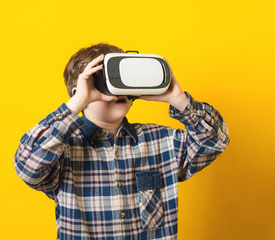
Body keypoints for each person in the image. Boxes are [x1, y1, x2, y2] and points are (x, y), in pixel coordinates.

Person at [14, 42, 230, 240]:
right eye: (104, 80)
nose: (118, 88)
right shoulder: (62, 148)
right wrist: (77, 101)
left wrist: (179, 99)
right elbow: (27, 166)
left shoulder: (161, 141)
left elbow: (214, 141)